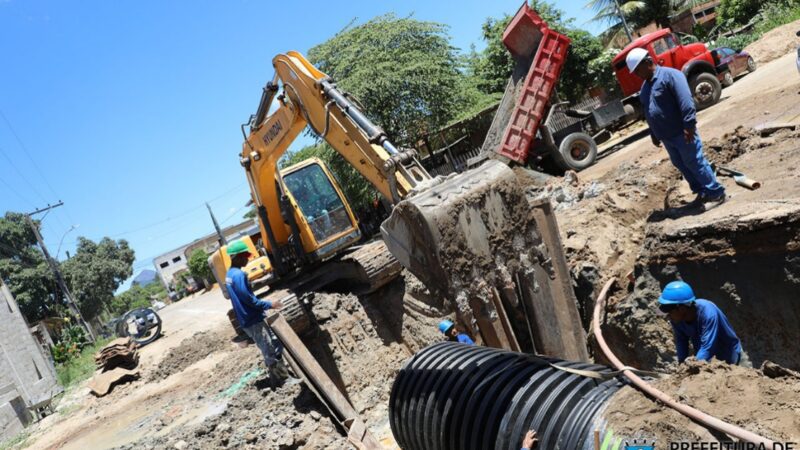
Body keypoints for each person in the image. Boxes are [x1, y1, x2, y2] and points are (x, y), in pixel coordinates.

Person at [626, 47, 726, 211]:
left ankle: (716, 193)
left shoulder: (671, 75)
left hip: (682, 132)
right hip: (667, 136)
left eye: (637, 70)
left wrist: (689, 125)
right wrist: (654, 132)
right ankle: (702, 193)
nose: (636, 74)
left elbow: (686, 101)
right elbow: (648, 111)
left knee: (695, 161)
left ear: (647, 62)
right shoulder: (645, 87)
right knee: (681, 164)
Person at [225, 239, 292, 382]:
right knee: (269, 348)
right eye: (245, 256)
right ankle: (282, 381)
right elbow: (249, 300)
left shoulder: (230, 274)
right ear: (237, 257)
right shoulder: (239, 275)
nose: (248, 259)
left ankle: (280, 376)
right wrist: (270, 304)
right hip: (252, 318)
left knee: (272, 343)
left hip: (247, 319)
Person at [658, 281, 744, 365]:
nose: (668, 316)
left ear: (682, 309)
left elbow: (707, 347)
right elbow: (681, 341)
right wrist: (681, 365)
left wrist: (691, 367)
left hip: (731, 358)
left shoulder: (708, 313)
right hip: (708, 360)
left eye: (670, 312)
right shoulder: (677, 319)